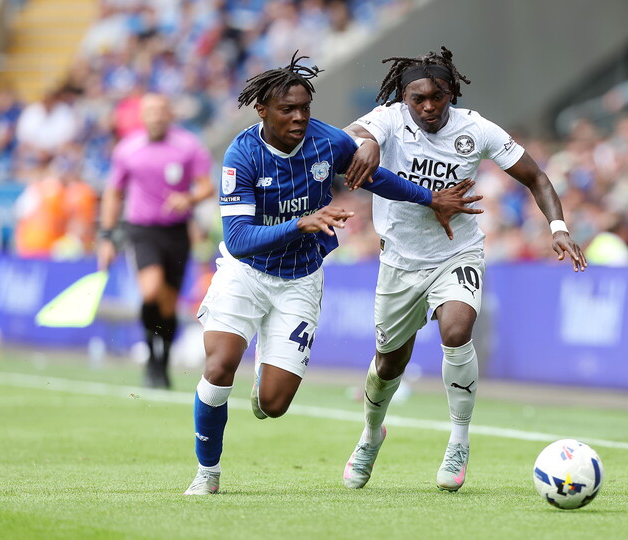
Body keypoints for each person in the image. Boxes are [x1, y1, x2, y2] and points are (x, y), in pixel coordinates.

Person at [183, 53, 481, 496]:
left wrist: (429, 198)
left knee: (274, 405)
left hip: (301, 279)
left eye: (305, 108)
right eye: (288, 109)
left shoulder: (327, 142)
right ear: (262, 110)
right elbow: (241, 239)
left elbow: (375, 177)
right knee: (220, 364)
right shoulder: (241, 155)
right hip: (245, 274)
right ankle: (207, 471)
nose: (300, 117)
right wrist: (300, 223)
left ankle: (266, 378)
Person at [340, 47, 587, 492]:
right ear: (404, 99)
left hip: (458, 252)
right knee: (389, 361)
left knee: (456, 331)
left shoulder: (476, 129)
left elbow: (536, 177)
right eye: (418, 99)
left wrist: (557, 226)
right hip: (399, 260)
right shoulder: (389, 119)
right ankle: (371, 433)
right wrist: (369, 141)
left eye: (437, 97)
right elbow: (348, 135)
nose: (428, 106)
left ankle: (458, 438)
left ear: (451, 92)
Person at [97, 93, 216, 389]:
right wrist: (107, 237)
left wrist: (187, 198)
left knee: (168, 304)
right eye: (150, 111)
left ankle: (162, 364)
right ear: (142, 116)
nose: (156, 116)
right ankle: (151, 356)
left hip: (176, 231)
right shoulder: (128, 149)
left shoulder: (188, 146)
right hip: (141, 230)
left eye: (162, 110)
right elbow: (114, 193)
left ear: (170, 114)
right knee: (150, 292)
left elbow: (207, 187)